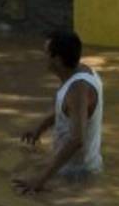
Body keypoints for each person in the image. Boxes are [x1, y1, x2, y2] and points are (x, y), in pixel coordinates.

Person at [13, 30, 104, 194]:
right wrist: (39, 128)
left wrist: (40, 179)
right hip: (72, 167)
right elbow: (67, 109)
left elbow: (77, 140)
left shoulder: (77, 90)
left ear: (57, 60)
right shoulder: (82, 71)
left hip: (75, 175)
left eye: (46, 53)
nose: (44, 58)